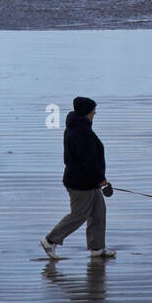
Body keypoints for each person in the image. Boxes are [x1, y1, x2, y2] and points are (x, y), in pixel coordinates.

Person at [40, 97, 115, 259]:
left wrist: (99, 181)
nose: (95, 113)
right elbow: (88, 160)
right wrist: (102, 181)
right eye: (93, 110)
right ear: (86, 112)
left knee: (98, 212)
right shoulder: (82, 132)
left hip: (87, 181)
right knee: (79, 215)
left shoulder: (76, 127)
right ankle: (50, 240)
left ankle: (97, 248)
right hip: (80, 183)